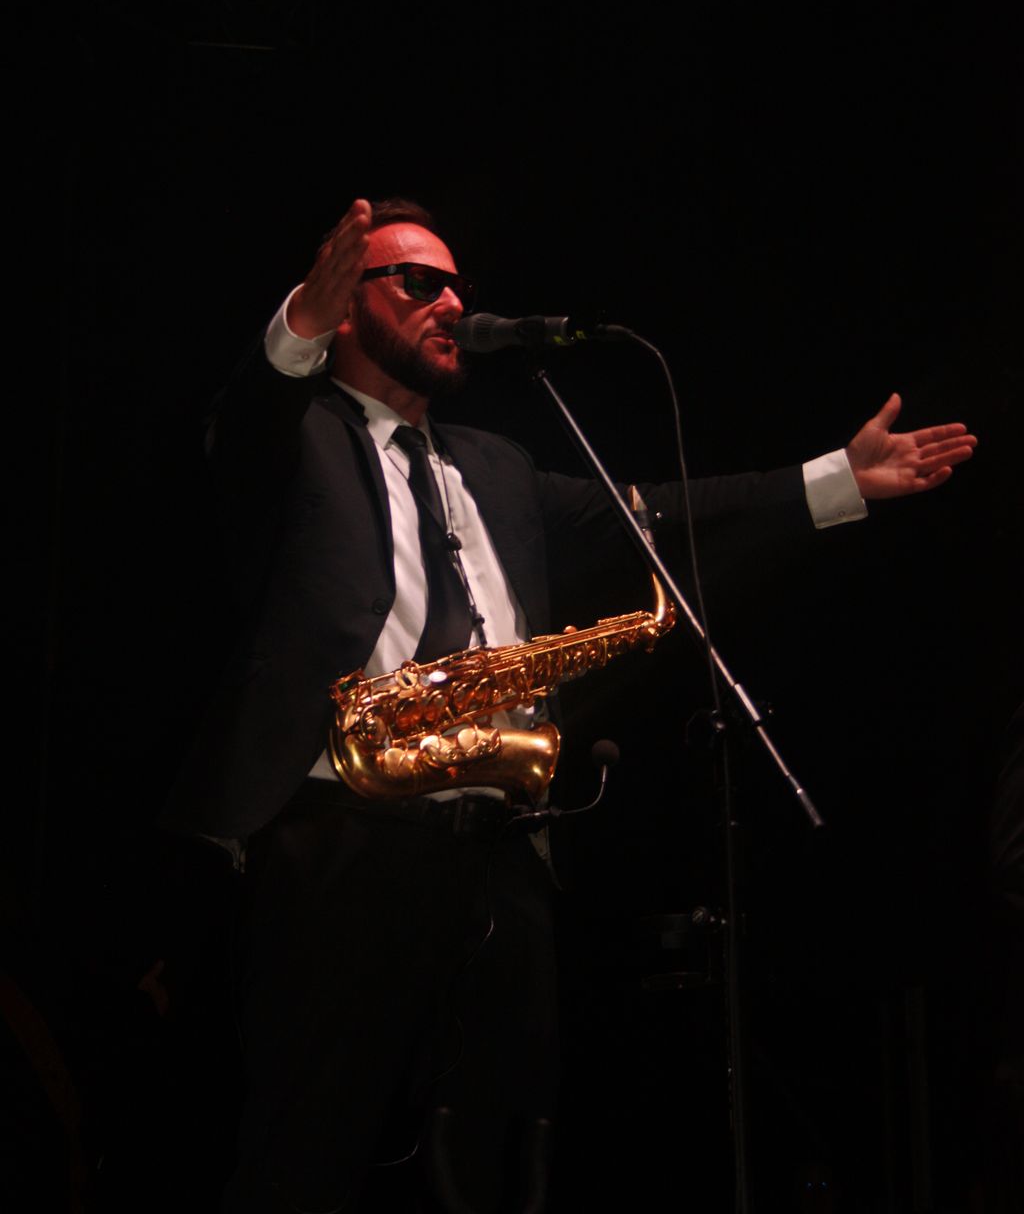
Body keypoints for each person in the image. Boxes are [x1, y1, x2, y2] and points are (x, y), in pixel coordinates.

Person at [162, 196, 975, 1213]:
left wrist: (835, 481)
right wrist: (297, 325)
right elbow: (246, 417)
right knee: (308, 1149)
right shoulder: (296, 432)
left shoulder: (495, 466)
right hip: (342, 839)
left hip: (500, 852)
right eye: (419, 281)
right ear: (347, 300)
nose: (452, 302)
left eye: (458, 284)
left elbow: (662, 511)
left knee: (502, 1152)